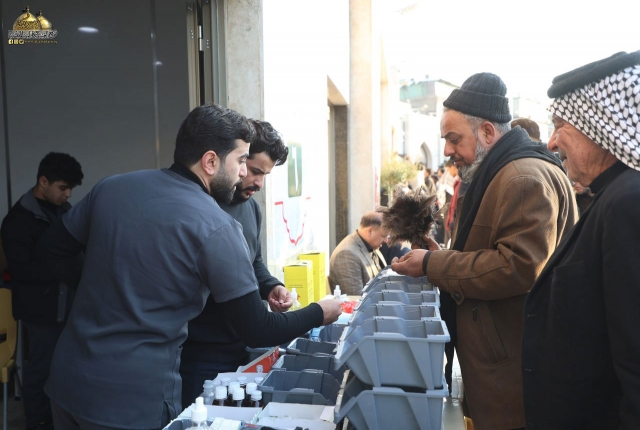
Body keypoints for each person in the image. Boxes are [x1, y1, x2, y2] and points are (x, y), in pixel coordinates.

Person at [39, 104, 342, 430]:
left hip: (68, 383)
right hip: (131, 400)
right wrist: (320, 312)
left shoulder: (111, 187)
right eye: (241, 161)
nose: (244, 173)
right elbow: (257, 328)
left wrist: (100, 285)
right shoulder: (215, 225)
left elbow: (50, 249)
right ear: (210, 161)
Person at [391, 72, 578, 430]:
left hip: (514, 376)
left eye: (454, 139)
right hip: (506, 368)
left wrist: (433, 264)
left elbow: (518, 266)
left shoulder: (522, 177)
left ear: (488, 133)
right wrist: (438, 256)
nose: (447, 151)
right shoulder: (505, 172)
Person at [522, 51, 640, 430]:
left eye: (560, 125)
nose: (552, 142)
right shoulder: (611, 195)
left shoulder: (627, 202)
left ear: (601, 122)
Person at [179, 119, 290, 407]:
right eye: (254, 170)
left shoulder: (252, 209)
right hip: (199, 355)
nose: (258, 183)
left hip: (242, 347)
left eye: (265, 175)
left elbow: (254, 262)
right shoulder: (201, 207)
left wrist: (271, 286)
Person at [0, 152, 83, 430]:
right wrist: (65, 267)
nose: (68, 194)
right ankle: (38, 423)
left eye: (70, 189)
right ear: (43, 181)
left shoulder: (65, 211)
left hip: (69, 306)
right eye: (63, 188)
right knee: (40, 370)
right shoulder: (17, 221)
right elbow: (22, 271)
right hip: (41, 312)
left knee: (69, 369)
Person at [328, 211, 388, 295]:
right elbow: (356, 297)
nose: (386, 240)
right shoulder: (347, 254)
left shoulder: (372, 245)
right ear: (369, 231)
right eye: (384, 236)